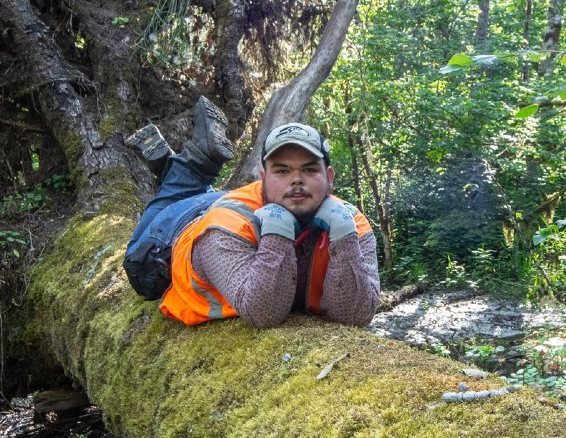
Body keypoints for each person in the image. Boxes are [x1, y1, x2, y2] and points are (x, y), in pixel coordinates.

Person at [123, 97, 380, 328]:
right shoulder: (222, 228)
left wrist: (344, 233)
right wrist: (278, 229)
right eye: (282, 171)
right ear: (263, 179)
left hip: (231, 200)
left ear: (330, 177)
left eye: (310, 170)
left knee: (184, 190)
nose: (297, 181)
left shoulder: (351, 222)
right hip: (174, 229)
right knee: (139, 266)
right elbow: (264, 314)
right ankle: (192, 166)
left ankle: (171, 167)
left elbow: (355, 316)